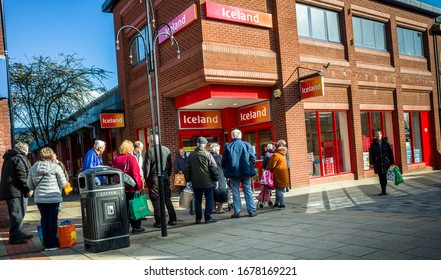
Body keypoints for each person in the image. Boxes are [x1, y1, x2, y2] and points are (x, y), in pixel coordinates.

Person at [28, 147, 68, 251]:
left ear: (41, 156)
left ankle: (46, 244)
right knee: (53, 220)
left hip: (40, 199)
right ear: (51, 155)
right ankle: (52, 244)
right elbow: (63, 183)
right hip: (54, 198)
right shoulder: (56, 167)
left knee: (44, 219)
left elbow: (29, 185)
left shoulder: (33, 168)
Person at [0, 142, 34, 245]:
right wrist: (28, 189)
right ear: (25, 149)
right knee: (17, 215)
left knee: (17, 214)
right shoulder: (19, 158)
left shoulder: (10, 157)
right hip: (16, 191)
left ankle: (19, 233)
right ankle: (15, 237)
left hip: (12, 191)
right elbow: (22, 175)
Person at [221, 129, 257, 218]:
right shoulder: (247, 144)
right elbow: (253, 159)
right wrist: (249, 166)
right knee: (247, 190)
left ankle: (237, 211)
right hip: (246, 171)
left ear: (232, 136)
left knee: (235, 191)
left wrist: (227, 168)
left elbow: (224, 161)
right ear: (240, 135)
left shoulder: (228, 146)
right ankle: (252, 210)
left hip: (234, 172)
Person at [143, 134, 177, 228]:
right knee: (167, 199)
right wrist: (167, 175)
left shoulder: (149, 151)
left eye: (149, 141)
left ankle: (159, 222)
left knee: (156, 200)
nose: (148, 143)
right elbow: (170, 165)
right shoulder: (166, 149)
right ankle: (173, 219)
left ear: (151, 141)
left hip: (154, 180)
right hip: (164, 177)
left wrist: (146, 179)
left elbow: (146, 168)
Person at [113, 140, 144, 233]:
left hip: (120, 187)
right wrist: (139, 187)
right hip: (131, 188)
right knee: (134, 207)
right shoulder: (131, 158)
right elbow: (136, 174)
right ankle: (136, 227)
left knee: (124, 209)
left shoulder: (117, 159)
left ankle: (125, 227)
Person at [185, 137, 219, 224]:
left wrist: (188, 181)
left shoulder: (191, 155)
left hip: (195, 182)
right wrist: (216, 179)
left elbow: (187, 169)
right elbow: (213, 168)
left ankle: (198, 218)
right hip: (207, 181)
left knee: (197, 200)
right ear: (204, 144)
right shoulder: (207, 154)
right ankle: (208, 217)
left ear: (197, 144)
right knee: (209, 199)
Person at [369, 130, 395, 196]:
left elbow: (390, 153)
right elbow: (371, 154)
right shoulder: (373, 145)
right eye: (376, 134)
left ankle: (384, 190)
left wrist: (392, 162)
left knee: (384, 177)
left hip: (386, 162)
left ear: (381, 135)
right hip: (378, 163)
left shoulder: (386, 144)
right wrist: (371, 163)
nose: (377, 136)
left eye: (378, 134)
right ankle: (382, 190)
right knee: (380, 177)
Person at [267, 140, 289, 208]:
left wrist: (268, 168)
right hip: (283, 174)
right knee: (278, 190)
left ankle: (282, 204)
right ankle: (277, 203)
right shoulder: (283, 154)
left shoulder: (276, 155)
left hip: (278, 175)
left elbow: (271, 165)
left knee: (279, 190)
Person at [210, 143, 227, 214]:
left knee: (212, 192)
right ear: (217, 150)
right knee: (222, 192)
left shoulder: (208, 156)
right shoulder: (220, 157)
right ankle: (220, 208)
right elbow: (224, 167)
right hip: (220, 176)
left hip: (210, 177)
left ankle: (213, 208)